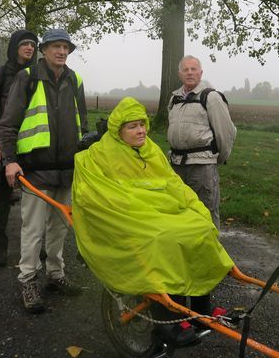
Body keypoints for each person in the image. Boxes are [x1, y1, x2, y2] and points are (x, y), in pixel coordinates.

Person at [73, 97, 234, 345]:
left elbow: (172, 183)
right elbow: (96, 194)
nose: (141, 131)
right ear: (118, 130)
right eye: (132, 126)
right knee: (162, 239)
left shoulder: (150, 149)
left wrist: (192, 205)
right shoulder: (100, 154)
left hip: (160, 212)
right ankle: (169, 317)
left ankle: (202, 308)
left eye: (142, 124)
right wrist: (143, 209)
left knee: (201, 227)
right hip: (133, 217)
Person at [0, 28, 88, 313]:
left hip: (67, 171)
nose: (62, 52)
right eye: (56, 47)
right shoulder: (27, 78)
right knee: (33, 229)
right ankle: (28, 280)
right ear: (44, 50)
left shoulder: (76, 80)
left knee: (59, 229)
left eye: (66, 47)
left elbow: (82, 126)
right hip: (35, 171)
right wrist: (9, 159)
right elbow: (7, 124)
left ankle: (55, 275)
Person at [0, 30, 38, 267]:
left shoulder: (38, 75)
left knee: (35, 201)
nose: (29, 48)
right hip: (5, 145)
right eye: (24, 44)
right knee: (2, 197)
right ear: (14, 47)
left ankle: (36, 248)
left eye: (33, 45)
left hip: (32, 146)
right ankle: (0, 247)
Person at [167, 55, 237, 229]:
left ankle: (211, 253)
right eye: (186, 69)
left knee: (205, 212)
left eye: (194, 69)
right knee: (181, 210)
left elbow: (226, 133)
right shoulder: (174, 99)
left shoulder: (211, 97)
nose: (190, 73)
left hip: (202, 167)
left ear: (200, 72)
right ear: (180, 74)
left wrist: (216, 158)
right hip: (176, 165)